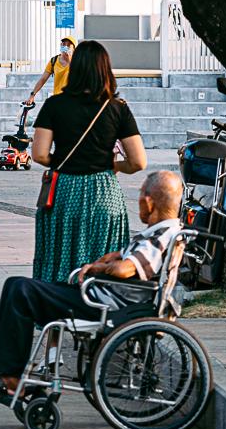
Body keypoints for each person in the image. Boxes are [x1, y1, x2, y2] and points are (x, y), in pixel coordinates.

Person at [0, 171, 183, 402]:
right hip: (105, 299)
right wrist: (107, 259)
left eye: (140, 195)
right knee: (18, 287)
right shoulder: (162, 231)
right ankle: (10, 374)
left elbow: (127, 269)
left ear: (149, 202)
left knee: (21, 289)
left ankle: (9, 376)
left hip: (105, 305)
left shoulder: (161, 235)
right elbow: (123, 257)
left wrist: (99, 268)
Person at [29, 38, 146, 282]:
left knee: (60, 255)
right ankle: (101, 309)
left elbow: (39, 154)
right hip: (104, 192)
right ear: (106, 69)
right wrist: (112, 165)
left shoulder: (54, 105)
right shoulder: (117, 108)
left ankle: (57, 307)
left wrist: (61, 161)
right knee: (104, 258)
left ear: (75, 68)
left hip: (65, 191)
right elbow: (138, 162)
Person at [24, 34, 75, 106]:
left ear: (74, 49)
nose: (65, 47)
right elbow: (43, 79)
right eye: (63, 44)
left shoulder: (78, 62)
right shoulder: (54, 61)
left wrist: (69, 60)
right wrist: (32, 95)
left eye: (68, 45)